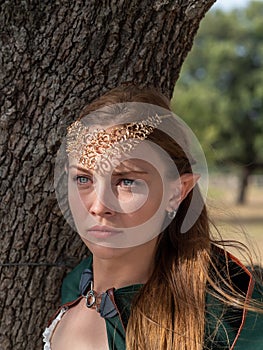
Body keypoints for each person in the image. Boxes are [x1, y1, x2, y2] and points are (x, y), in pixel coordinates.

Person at [43, 85, 263, 350]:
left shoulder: (232, 318)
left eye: (127, 181)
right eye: (83, 179)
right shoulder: (72, 286)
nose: (99, 206)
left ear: (177, 192)